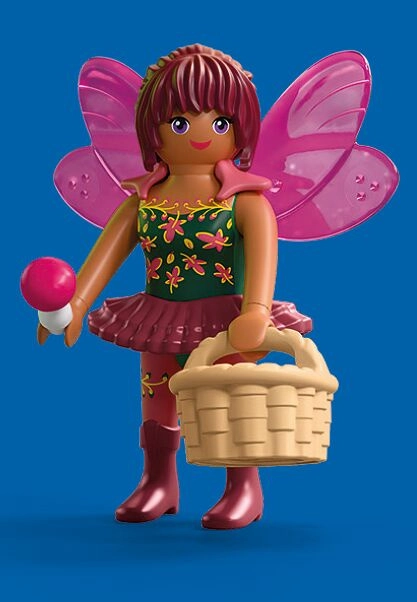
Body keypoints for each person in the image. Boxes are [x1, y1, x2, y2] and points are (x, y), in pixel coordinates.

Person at [38, 44, 312, 529]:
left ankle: (243, 487)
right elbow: (106, 254)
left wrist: (255, 310)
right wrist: (75, 303)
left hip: (226, 323)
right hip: (160, 317)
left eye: (220, 122)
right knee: (157, 394)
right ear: (154, 131)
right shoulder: (144, 200)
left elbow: (264, 259)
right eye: (181, 123)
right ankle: (158, 480)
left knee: (230, 399)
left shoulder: (246, 202)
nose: (202, 135)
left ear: (241, 129)